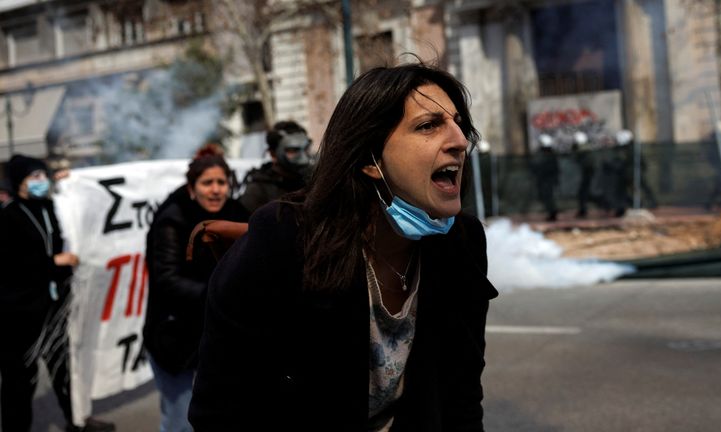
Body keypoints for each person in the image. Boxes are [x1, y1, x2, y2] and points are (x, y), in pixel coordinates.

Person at [189, 61, 499, 430]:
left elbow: (462, 396)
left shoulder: (461, 242)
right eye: (428, 125)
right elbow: (220, 411)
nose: (460, 141)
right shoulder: (283, 241)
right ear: (370, 159)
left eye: (459, 124)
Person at [0, 154, 115, 432]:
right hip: (19, 315)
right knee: (19, 380)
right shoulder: (8, 216)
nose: (41, 181)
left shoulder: (54, 207)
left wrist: (73, 182)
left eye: (43, 175)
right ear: (19, 183)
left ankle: (77, 419)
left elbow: (85, 208)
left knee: (66, 372)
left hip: (56, 309)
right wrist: (53, 263)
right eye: (33, 177)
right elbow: (10, 264)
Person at [142, 148, 249, 432]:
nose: (215, 190)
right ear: (192, 188)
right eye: (206, 183)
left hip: (218, 335)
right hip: (174, 337)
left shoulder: (237, 213)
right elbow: (167, 279)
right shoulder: (171, 220)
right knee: (180, 422)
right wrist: (217, 296)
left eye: (221, 182)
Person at [238, 120, 312, 214]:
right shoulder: (257, 190)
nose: (303, 157)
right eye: (293, 150)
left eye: (306, 149)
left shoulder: (312, 182)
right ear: (273, 154)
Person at [531, 134, 560, 221]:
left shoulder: (548, 155)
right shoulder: (545, 154)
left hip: (547, 180)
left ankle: (552, 212)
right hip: (545, 179)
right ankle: (552, 212)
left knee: (548, 196)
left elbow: (551, 168)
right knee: (546, 196)